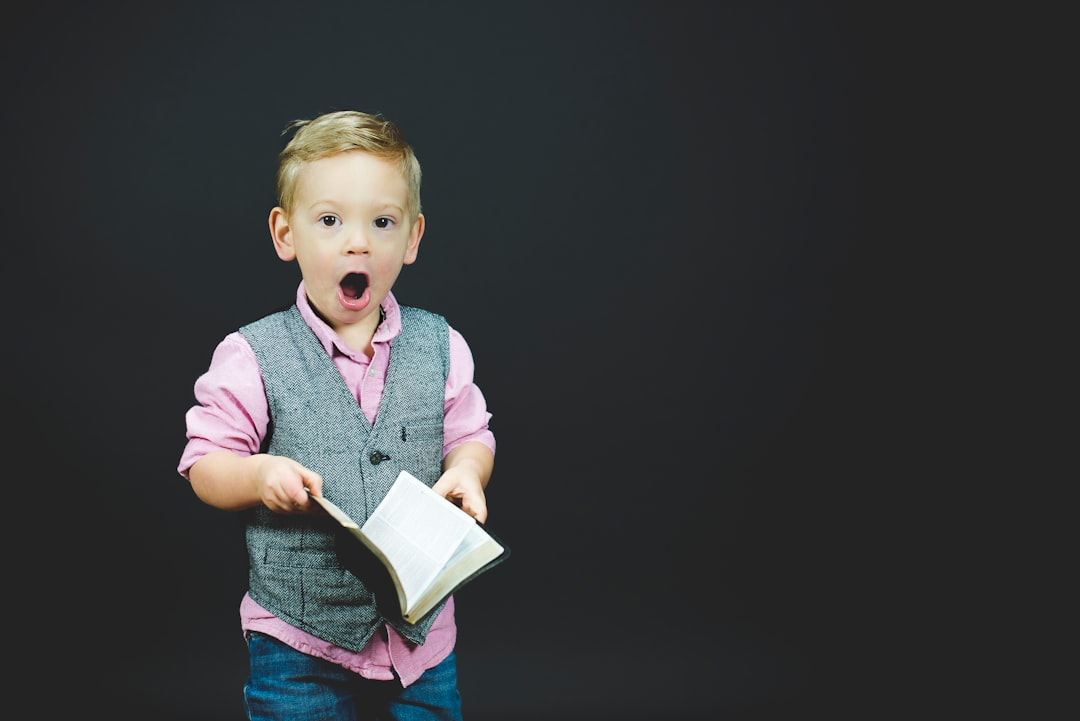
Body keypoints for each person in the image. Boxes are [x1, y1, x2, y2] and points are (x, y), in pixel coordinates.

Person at [177, 110, 496, 721]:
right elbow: (203, 464)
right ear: (285, 234)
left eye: (382, 222)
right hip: (298, 638)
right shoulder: (252, 354)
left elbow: (470, 433)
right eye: (330, 221)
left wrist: (468, 471)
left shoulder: (441, 344)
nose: (359, 242)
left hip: (420, 641)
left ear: (412, 238)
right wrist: (256, 475)